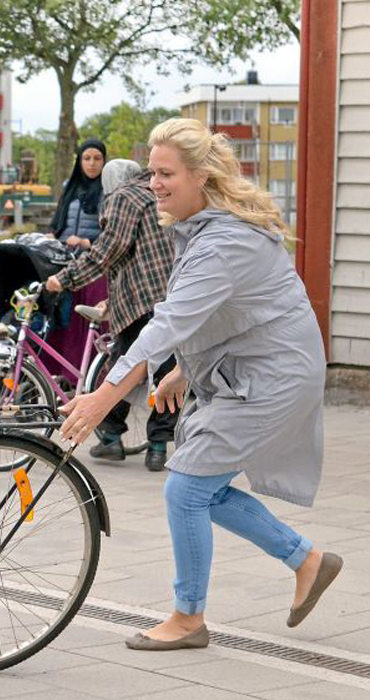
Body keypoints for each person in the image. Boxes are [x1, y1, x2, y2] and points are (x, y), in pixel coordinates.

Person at [59, 118, 342, 650]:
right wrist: (182, 370)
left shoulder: (222, 242)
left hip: (273, 378)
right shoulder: (206, 229)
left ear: (201, 177)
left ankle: (189, 619)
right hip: (258, 368)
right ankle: (306, 560)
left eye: (166, 173)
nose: (154, 184)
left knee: (187, 488)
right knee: (197, 487)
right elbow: (232, 310)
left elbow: (169, 320)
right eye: (151, 172)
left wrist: (103, 396)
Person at [46, 158, 177, 471]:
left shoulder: (123, 198)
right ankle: (157, 447)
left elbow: (106, 252)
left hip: (141, 302)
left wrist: (61, 279)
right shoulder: (157, 195)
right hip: (174, 298)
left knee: (123, 369)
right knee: (165, 371)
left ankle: (111, 438)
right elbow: (142, 253)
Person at [43, 139, 108, 384]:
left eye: (97, 158)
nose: (92, 164)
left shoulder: (106, 192)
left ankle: (89, 376)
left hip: (92, 267)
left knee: (85, 324)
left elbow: (111, 234)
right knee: (65, 322)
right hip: (65, 262)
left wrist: (85, 242)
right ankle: (62, 372)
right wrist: (52, 235)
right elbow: (58, 221)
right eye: (87, 158)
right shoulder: (70, 188)